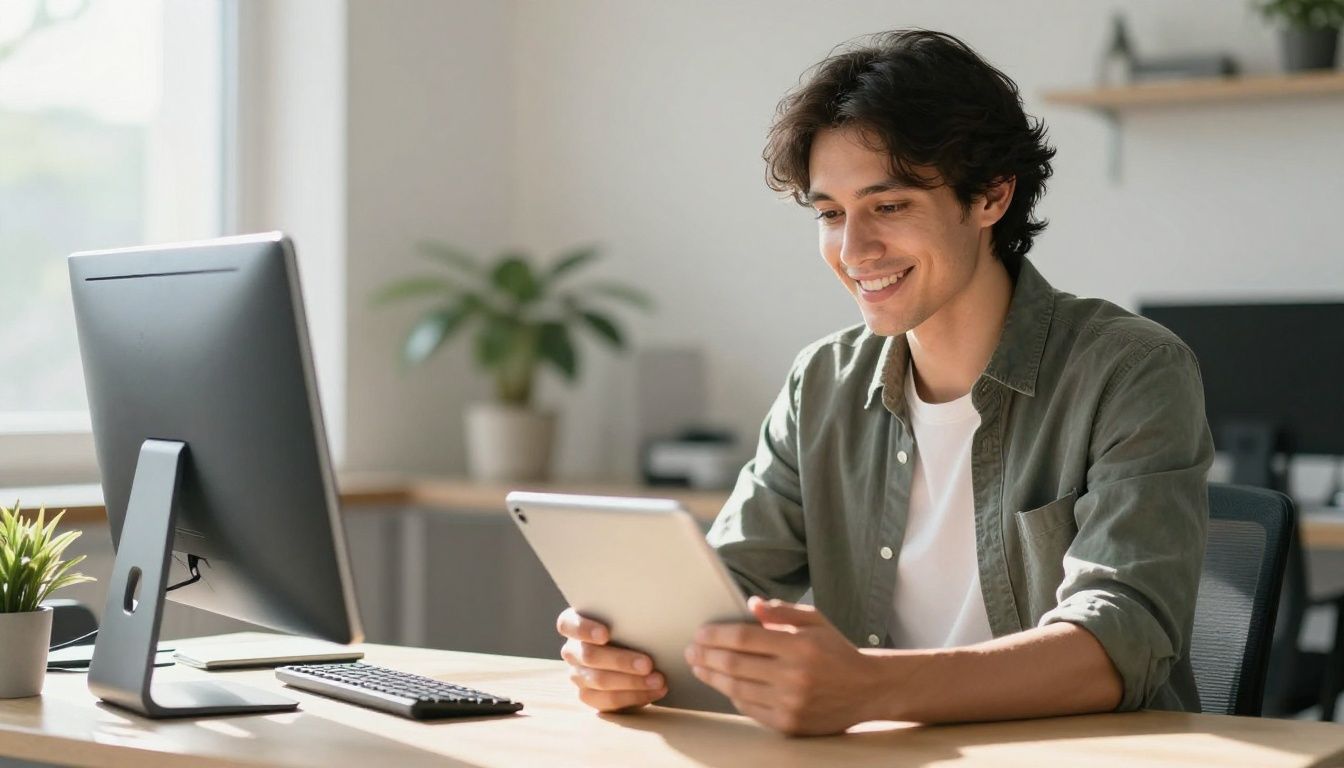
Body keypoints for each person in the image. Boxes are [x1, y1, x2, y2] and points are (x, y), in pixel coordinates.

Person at [556, 29, 1213, 736]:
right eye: (831, 214)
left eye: (889, 206)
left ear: (991, 196)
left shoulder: (1130, 369)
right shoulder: (822, 383)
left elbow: (1122, 640)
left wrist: (872, 688)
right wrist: (631, 653)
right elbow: (724, 589)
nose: (853, 249)